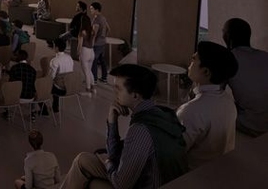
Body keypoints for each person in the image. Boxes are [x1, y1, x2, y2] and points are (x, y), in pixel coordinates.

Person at [60, 64, 188, 189]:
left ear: (135, 95)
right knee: (83, 160)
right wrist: (112, 121)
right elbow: (117, 155)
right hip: (156, 180)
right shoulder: (161, 113)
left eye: (118, 89)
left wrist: (108, 162)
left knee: (93, 183)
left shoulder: (140, 130)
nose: (114, 92)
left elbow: (121, 183)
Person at [176, 41, 238, 169]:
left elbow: (175, 153)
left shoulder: (192, 110)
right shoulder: (227, 100)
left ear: (206, 72)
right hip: (220, 170)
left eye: (194, 59)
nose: (190, 62)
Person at [222, 17, 268, 137]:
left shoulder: (228, 59)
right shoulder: (265, 56)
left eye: (223, 32)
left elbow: (213, 93)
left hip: (250, 125)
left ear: (228, 37)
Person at [48, 38, 73, 114]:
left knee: (43, 85)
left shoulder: (55, 60)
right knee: (58, 82)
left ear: (57, 48)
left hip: (60, 90)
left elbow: (51, 77)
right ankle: (55, 106)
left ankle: (44, 109)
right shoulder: (70, 58)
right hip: (70, 87)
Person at [90, 2, 111, 84]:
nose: (90, 10)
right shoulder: (103, 18)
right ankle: (104, 78)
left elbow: (94, 34)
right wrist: (104, 37)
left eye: (92, 8)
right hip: (102, 43)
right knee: (102, 60)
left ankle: (94, 79)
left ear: (97, 10)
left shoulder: (96, 19)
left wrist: (91, 44)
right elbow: (109, 29)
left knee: (94, 60)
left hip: (96, 44)